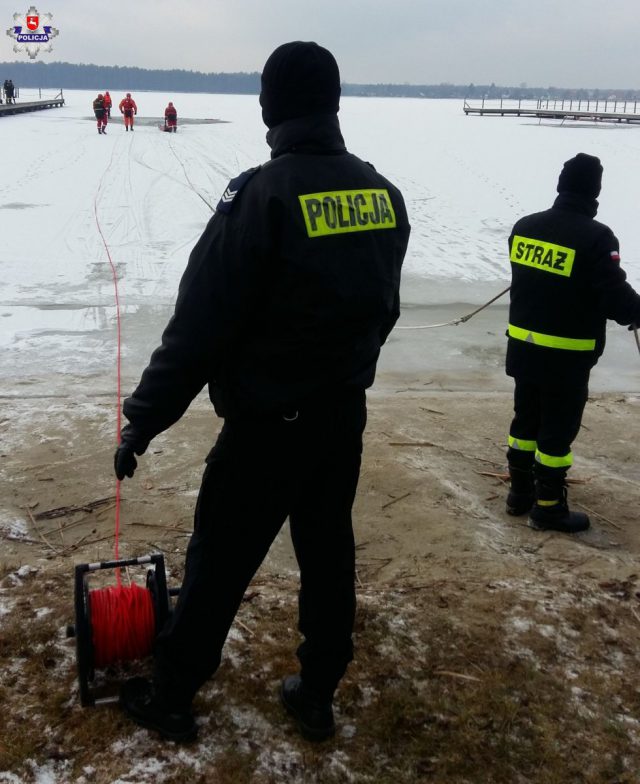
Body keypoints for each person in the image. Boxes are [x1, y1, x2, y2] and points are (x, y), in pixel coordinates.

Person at [115, 41, 410, 743]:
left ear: (271, 108)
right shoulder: (382, 193)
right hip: (342, 418)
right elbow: (383, 309)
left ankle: (175, 692)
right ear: (332, 104)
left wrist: (142, 422)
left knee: (219, 560)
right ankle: (318, 690)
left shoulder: (262, 195)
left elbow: (199, 328)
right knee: (328, 552)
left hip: (269, 426)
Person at [505, 152, 640, 533]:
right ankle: (548, 507)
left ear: (561, 186)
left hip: (523, 348)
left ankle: (519, 494)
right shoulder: (597, 237)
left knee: (525, 420)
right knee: (556, 433)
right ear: (594, 192)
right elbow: (612, 295)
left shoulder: (524, 227)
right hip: (566, 356)